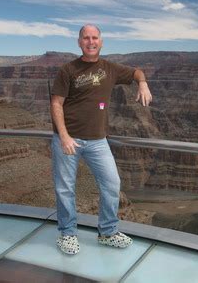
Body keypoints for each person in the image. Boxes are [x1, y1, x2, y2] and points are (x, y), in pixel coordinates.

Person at [50, 24, 152, 255]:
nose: (90, 41)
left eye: (94, 37)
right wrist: (64, 136)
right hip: (68, 139)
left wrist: (142, 83)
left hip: (98, 141)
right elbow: (56, 103)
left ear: (101, 42)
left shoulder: (110, 68)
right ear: (79, 42)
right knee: (65, 188)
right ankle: (67, 234)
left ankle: (107, 232)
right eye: (86, 38)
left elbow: (136, 72)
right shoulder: (68, 70)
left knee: (112, 184)